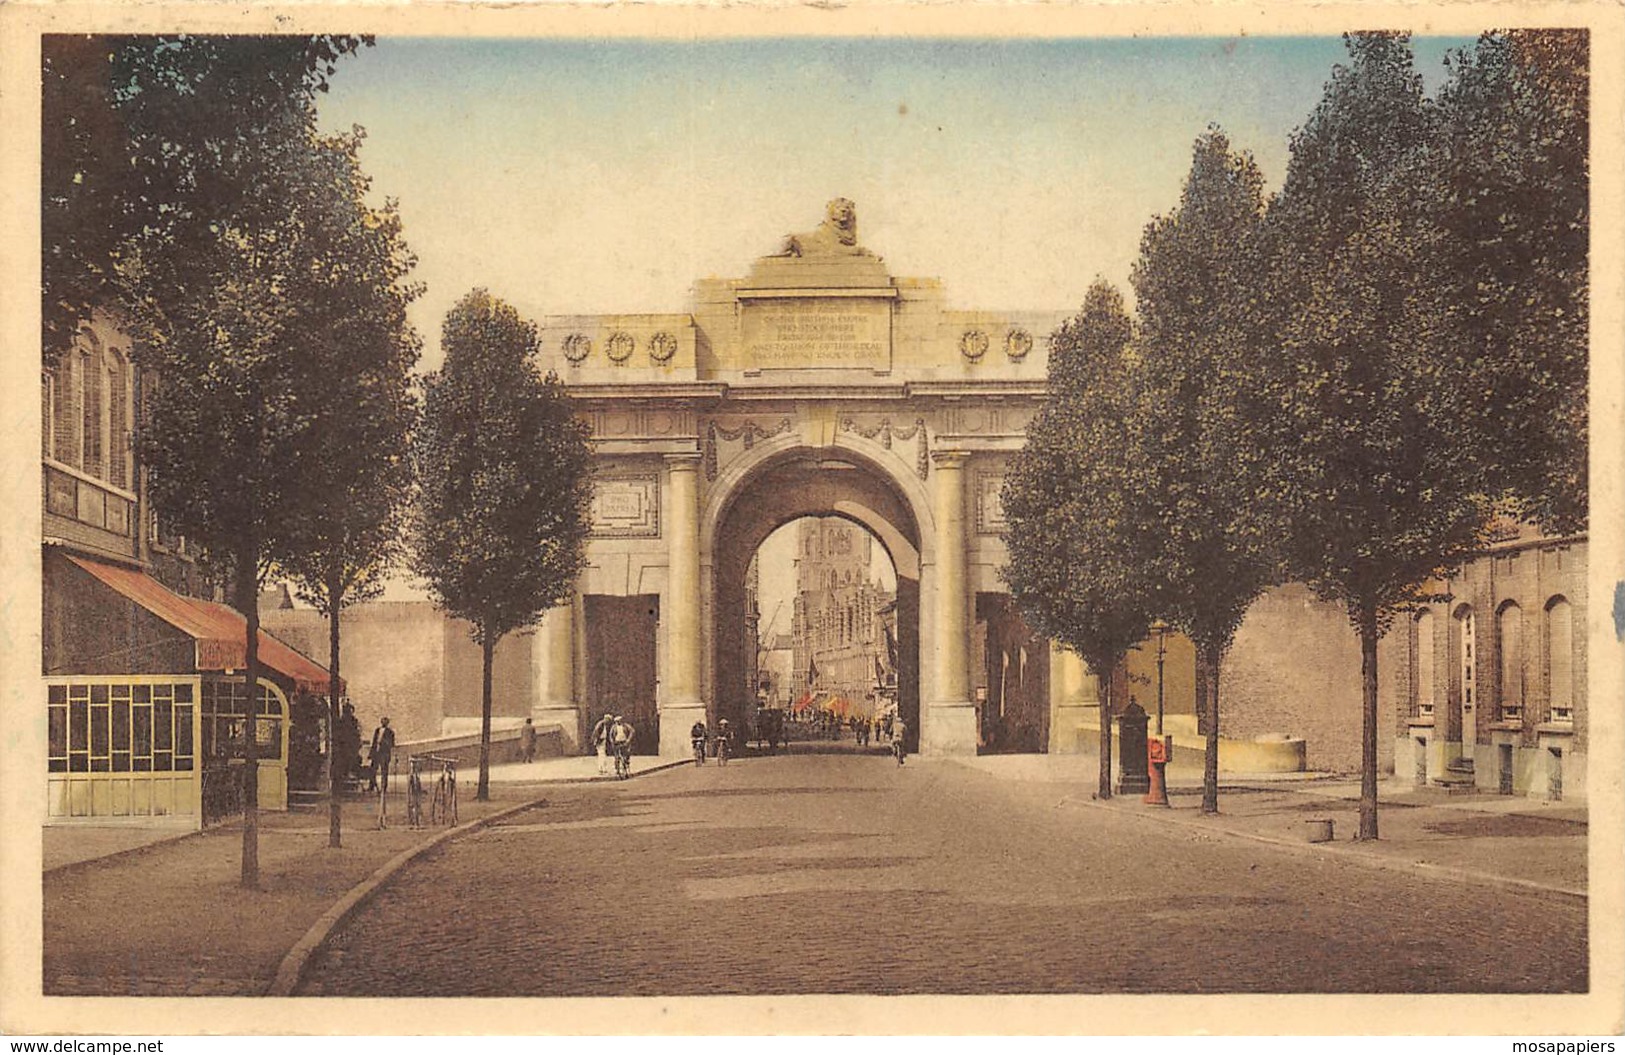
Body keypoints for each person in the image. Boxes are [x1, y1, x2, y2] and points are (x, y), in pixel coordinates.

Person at [337, 702, 362, 790]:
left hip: (351, 746)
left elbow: (357, 733)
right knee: (345, 762)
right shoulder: (342, 721)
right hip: (345, 746)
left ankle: (350, 777)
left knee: (352, 761)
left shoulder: (353, 721)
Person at [369, 716, 396, 791]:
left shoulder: (390, 732)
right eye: (383, 721)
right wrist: (371, 753)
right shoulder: (377, 730)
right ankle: (371, 786)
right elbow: (374, 742)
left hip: (384, 754)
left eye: (385, 722)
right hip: (376, 753)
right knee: (373, 769)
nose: (384, 723)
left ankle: (384, 787)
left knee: (384, 771)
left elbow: (392, 744)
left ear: (387, 723)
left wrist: (384, 742)